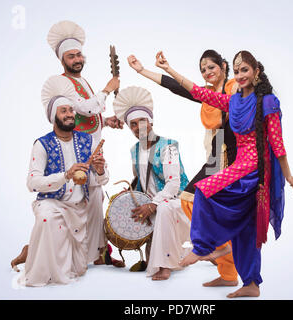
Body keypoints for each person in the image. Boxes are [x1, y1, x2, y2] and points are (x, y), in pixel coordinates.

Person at [153, 51, 293, 298]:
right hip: (238, 167)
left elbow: (277, 143)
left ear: (256, 71)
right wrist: (169, 69)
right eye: (237, 71)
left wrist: (289, 176)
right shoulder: (234, 101)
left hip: (254, 172)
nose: (240, 75)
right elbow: (198, 92)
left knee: (203, 190)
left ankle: (204, 246)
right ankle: (251, 284)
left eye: (245, 70)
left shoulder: (267, 101)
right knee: (247, 230)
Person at [11, 20, 123, 270]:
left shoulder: (83, 81)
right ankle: (38, 248)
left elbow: (90, 115)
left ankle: (99, 252)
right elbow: (83, 108)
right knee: (75, 199)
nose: (76, 59)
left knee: (95, 198)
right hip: (73, 150)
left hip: (93, 149)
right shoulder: (62, 83)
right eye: (71, 56)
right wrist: (108, 88)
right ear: (62, 60)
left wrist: (106, 121)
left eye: (79, 54)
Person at [127, 51, 239, 287]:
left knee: (190, 198)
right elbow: (177, 87)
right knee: (202, 204)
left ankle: (216, 246)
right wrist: (143, 70)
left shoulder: (232, 87)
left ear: (223, 66)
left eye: (211, 67)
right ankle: (228, 274)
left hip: (232, 152)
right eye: (203, 70)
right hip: (217, 150)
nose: (207, 72)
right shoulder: (208, 96)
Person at [18, 97, 109, 286]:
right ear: (53, 117)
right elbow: (32, 183)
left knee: (79, 269)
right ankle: (36, 260)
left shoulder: (87, 140)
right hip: (52, 203)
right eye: (63, 111)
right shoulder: (42, 144)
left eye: (71, 110)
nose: (69, 115)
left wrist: (100, 170)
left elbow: (100, 179)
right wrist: (65, 175)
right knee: (46, 218)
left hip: (79, 208)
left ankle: (32, 250)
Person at [112, 86, 191, 281]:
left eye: (142, 121)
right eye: (133, 124)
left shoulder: (169, 145)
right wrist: (131, 193)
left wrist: (153, 204)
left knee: (163, 209)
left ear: (151, 121)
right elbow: (141, 180)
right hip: (153, 203)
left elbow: (173, 184)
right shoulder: (134, 150)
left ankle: (166, 266)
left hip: (179, 200)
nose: (138, 127)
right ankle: (182, 254)